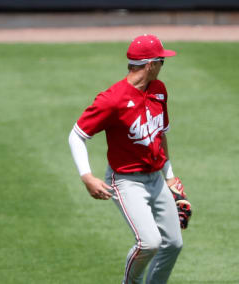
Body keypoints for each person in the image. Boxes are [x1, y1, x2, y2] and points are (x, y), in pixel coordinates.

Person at [68, 34, 185, 284]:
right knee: (149, 242)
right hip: (126, 181)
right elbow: (76, 135)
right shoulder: (112, 99)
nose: (163, 66)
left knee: (173, 243)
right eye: (162, 61)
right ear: (150, 64)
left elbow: (160, 135)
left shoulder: (159, 90)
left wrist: (170, 176)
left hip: (155, 178)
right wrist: (87, 176)